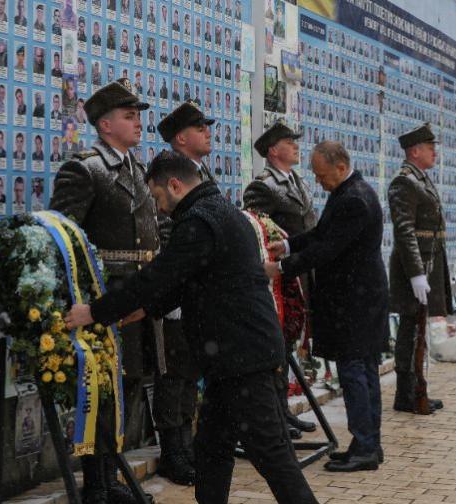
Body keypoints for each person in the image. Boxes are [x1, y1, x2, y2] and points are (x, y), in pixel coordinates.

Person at [65, 150, 319, 504]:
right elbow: (195, 280)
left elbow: (159, 276)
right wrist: (147, 309)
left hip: (242, 357)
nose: (160, 209)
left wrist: (94, 312)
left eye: (157, 198)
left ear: (174, 185)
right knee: (213, 448)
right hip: (232, 357)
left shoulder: (199, 222)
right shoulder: (220, 212)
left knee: (271, 454)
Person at [49, 78, 158, 504]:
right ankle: (98, 486)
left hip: (138, 293)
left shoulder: (137, 167)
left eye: (138, 116)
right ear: (105, 124)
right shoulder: (85, 168)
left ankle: (112, 477)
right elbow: (63, 235)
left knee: (128, 386)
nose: (137, 124)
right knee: (102, 391)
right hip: (105, 293)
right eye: (129, 116)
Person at [265, 141, 388, 472]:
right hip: (358, 299)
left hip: (356, 302)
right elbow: (320, 233)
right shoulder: (348, 192)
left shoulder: (355, 201)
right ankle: (368, 444)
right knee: (362, 371)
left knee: (355, 373)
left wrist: (281, 268)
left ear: (340, 165)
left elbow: (328, 248)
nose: (319, 182)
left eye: (322, 175)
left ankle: (364, 446)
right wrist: (289, 245)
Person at [146, 101, 217, 486]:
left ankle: (187, 446)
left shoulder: (200, 172)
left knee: (191, 370)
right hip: (177, 285)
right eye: (200, 127)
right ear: (180, 138)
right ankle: (173, 450)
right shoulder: (164, 172)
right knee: (173, 373)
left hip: (197, 287)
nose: (207, 132)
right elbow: (166, 230)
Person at [242, 121, 318, 437]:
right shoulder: (263, 186)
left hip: (300, 272)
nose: (296, 146)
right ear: (274, 150)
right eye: (289, 141)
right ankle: (274, 414)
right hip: (280, 279)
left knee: (287, 344)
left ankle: (282, 409)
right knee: (277, 344)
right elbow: (259, 231)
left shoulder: (295, 181)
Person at [388, 123, 450, 415]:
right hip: (414, 268)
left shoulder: (420, 179)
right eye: (429, 147)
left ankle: (416, 387)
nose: (434, 151)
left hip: (427, 264)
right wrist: (415, 273)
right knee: (410, 331)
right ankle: (407, 393)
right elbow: (405, 231)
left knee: (417, 330)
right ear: (415, 151)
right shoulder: (404, 182)